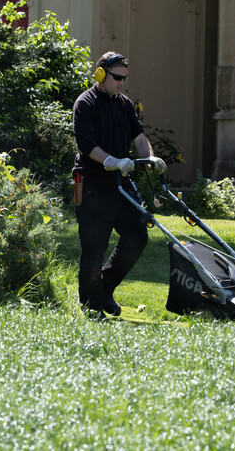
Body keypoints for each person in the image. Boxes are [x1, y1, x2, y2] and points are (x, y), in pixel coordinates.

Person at [72, 51, 167, 316]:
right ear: (101, 74)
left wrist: (150, 158)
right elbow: (87, 144)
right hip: (92, 184)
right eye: (116, 77)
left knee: (137, 236)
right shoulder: (85, 103)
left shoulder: (124, 104)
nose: (121, 83)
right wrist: (111, 159)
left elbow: (138, 137)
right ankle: (91, 306)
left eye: (124, 78)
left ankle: (103, 289)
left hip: (120, 185)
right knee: (94, 246)